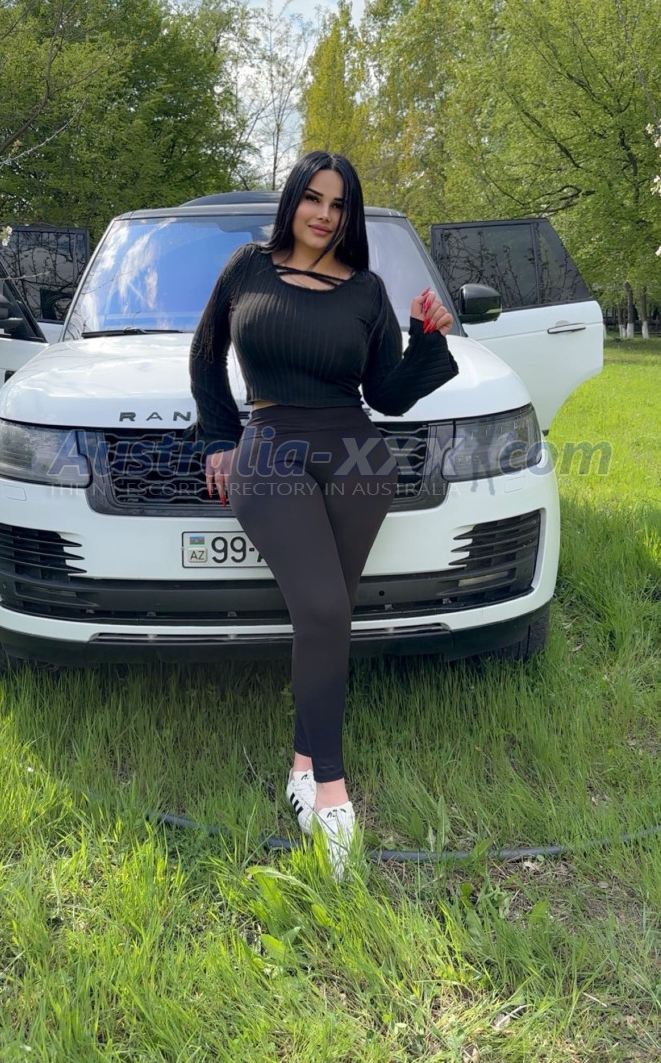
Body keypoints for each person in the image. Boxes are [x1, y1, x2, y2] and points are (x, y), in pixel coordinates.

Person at [189, 151, 458, 880]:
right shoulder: (248, 268)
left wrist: (428, 340)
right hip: (270, 445)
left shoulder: (366, 290)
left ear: (350, 215)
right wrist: (219, 439)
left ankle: (304, 764)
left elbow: (387, 394)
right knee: (320, 607)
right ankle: (333, 793)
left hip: (357, 456)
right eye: (313, 198)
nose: (324, 215)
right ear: (292, 201)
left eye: (339, 205)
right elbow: (206, 356)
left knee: (329, 614)